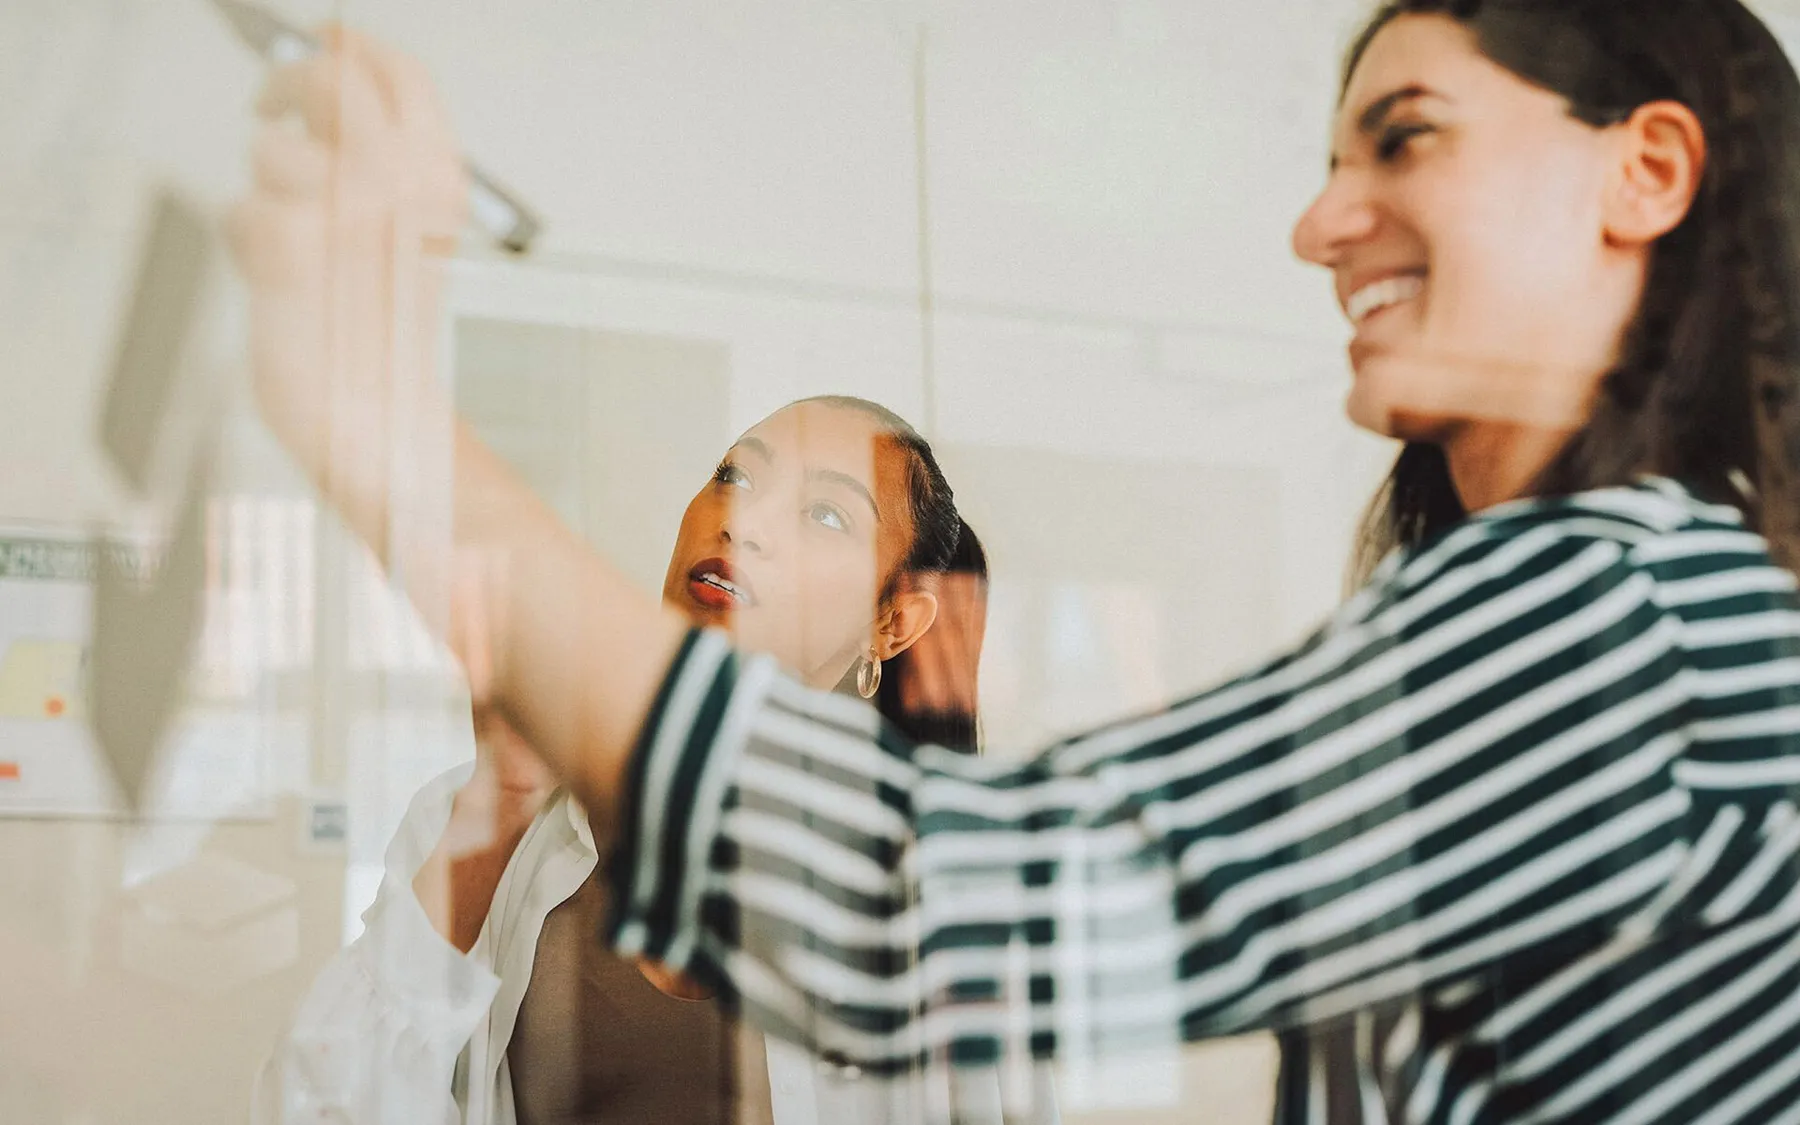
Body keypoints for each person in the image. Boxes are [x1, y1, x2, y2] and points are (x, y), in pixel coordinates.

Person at [229, 1, 1800, 1121]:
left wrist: (360, 383)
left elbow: (951, 909)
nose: (1322, 223)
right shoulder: (1587, 599)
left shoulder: (1632, 619)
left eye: (1407, 139)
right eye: (731, 480)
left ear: (1644, 173)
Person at [253, 396, 1023, 1124]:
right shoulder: (491, 824)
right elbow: (316, 1107)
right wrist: (500, 800)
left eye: (826, 513)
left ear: (893, 621)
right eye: (736, 475)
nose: (744, 518)